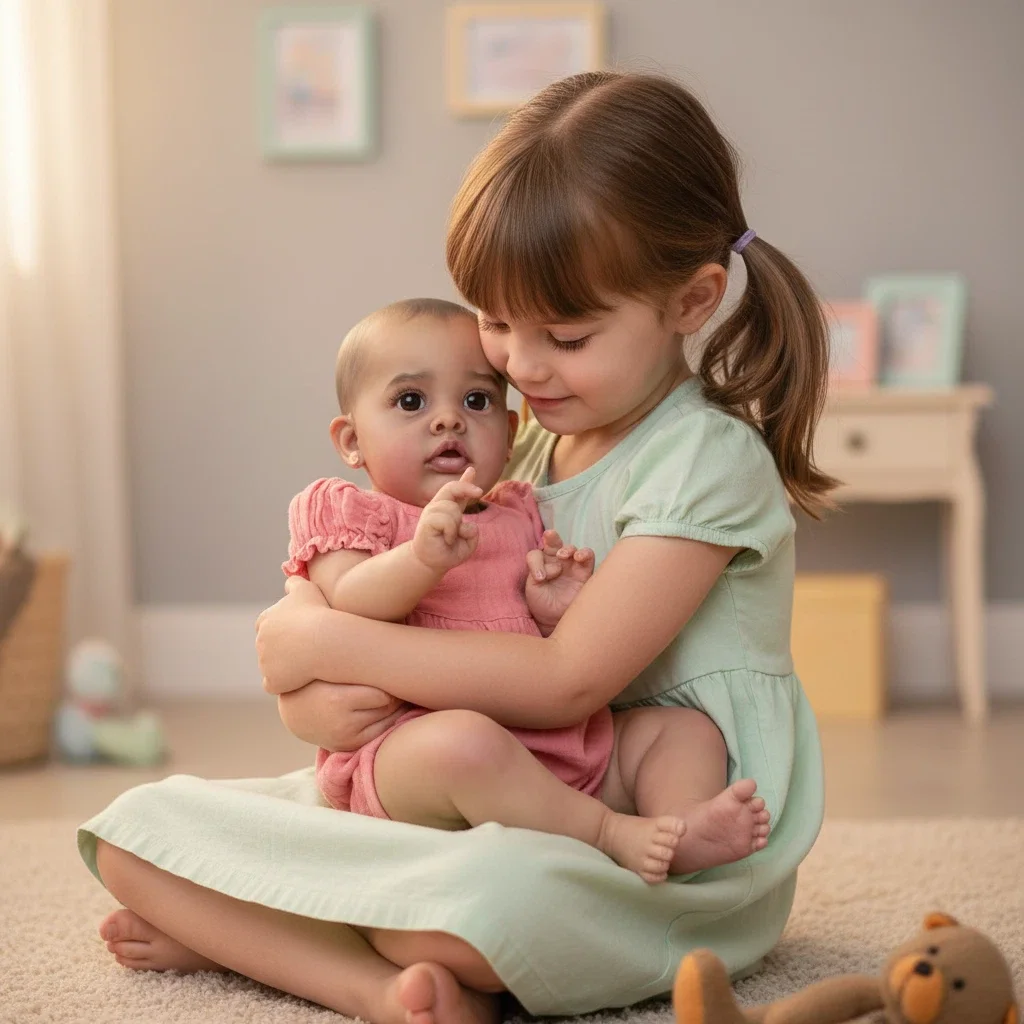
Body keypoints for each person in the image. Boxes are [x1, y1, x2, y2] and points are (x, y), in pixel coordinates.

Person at [80, 70, 830, 1024]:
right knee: (135, 835)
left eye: (566, 336)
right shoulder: (516, 448)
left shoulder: (704, 460)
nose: (519, 366)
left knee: (466, 916)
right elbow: (351, 611)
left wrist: (328, 644)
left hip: (644, 843)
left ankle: (277, 932)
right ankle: (369, 977)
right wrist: (311, 688)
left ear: (692, 301)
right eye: (499, 322)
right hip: (487, 798)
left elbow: (565, 683)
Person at [282, 296, 770, 884]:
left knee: (682, 731)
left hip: (557, 752)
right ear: (351, 440)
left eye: (477, 400)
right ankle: (607, 832)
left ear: (511, 433)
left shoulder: (516, 508)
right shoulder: (353, 513)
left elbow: (538, 645)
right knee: (466, 744)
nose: (448, 420)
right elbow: (347, 601)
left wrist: (551, 610)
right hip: (414, 754)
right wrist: (418, 560)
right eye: (411, 401)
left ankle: (681, 826)